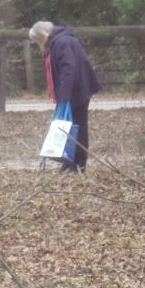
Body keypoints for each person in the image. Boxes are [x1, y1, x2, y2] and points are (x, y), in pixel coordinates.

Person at [29, 21, 103, 174]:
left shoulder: (62, 42)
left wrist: (64, 96)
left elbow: (68, 69)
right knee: (70, 125)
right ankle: (70, 162)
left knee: (78, 126)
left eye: (37, 40)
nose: (38, 45)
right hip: (75, 89)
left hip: (77, 90)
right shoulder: (61, 40)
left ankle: (79, 164)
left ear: (42, 36)